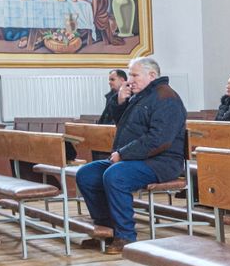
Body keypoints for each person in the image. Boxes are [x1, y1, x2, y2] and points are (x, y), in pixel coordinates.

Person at [75, 57, 187, 254]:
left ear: (152, 75)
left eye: (135, 75)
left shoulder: (166, 98)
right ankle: (107, 229)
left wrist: (123, 154)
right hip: (135, 158)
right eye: (130, 75)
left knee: (116, 175)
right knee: (86, 173)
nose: (130, 79)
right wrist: (119, 102)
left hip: (161, 161)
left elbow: (158, 140)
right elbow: (126, 126)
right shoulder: (142, 95)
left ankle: (126, 236)